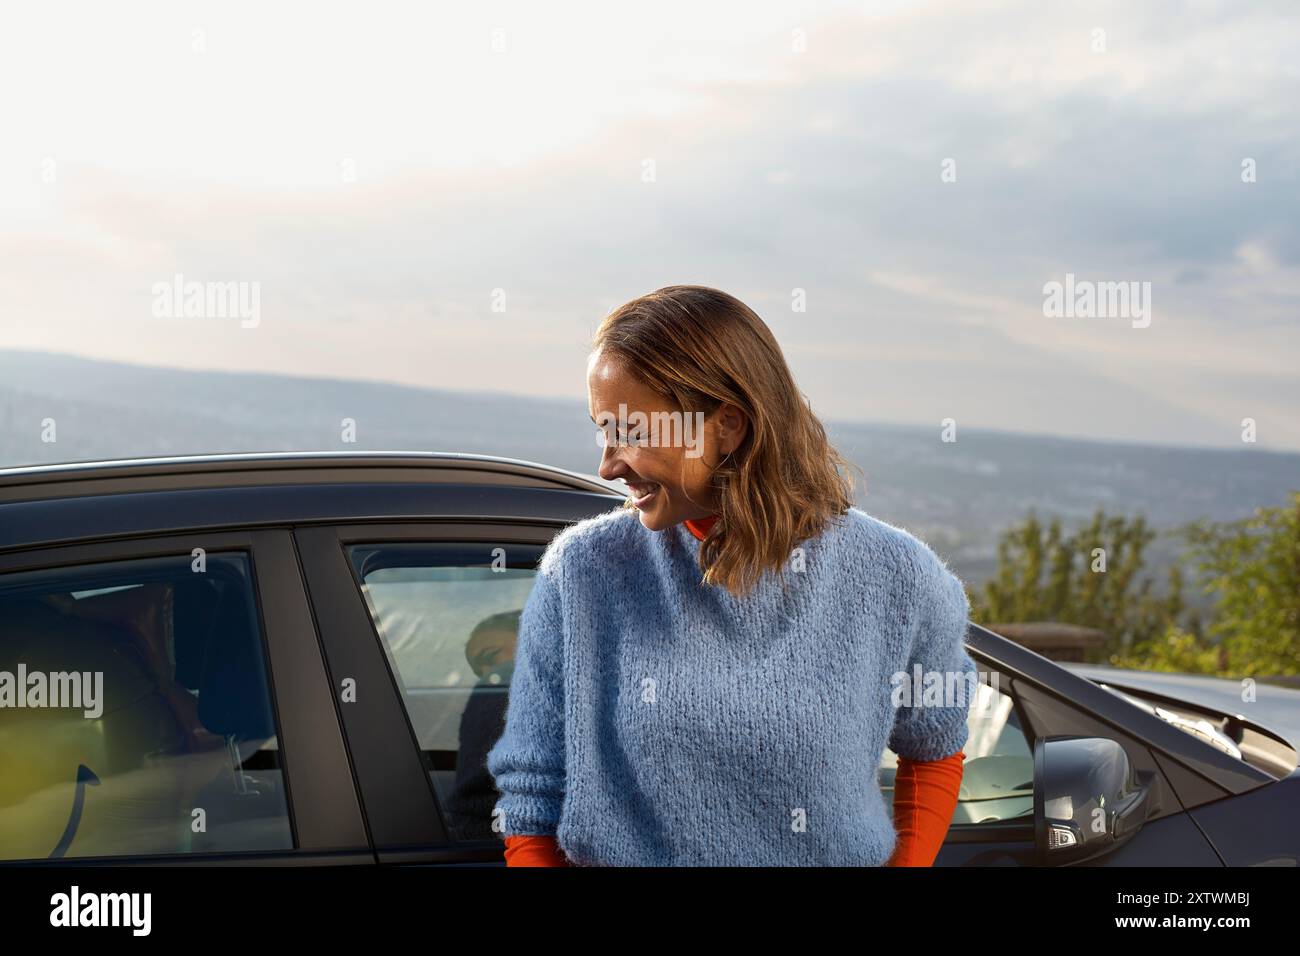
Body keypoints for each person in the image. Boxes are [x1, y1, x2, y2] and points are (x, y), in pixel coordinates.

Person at [487, 285, 976, 866]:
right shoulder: (582, 575)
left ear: (728, 427)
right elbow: (531, 799)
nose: (608, 465)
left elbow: (935, 746)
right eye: (604, 430)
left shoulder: (898, 578)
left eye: (633, 434)